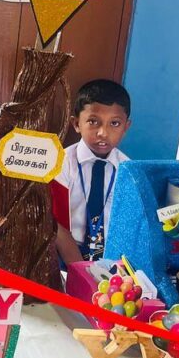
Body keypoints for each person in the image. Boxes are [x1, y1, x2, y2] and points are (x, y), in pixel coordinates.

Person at [55, 79, 131, 266]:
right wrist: (80, 271)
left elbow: (127, 226)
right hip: (65, 255)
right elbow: (57, 225)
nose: (103, 132)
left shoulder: (128, 170)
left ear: (126, 127)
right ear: (76, 124)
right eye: (93, 121)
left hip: (110, 259)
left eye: (114, 123)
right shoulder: (61, 163)